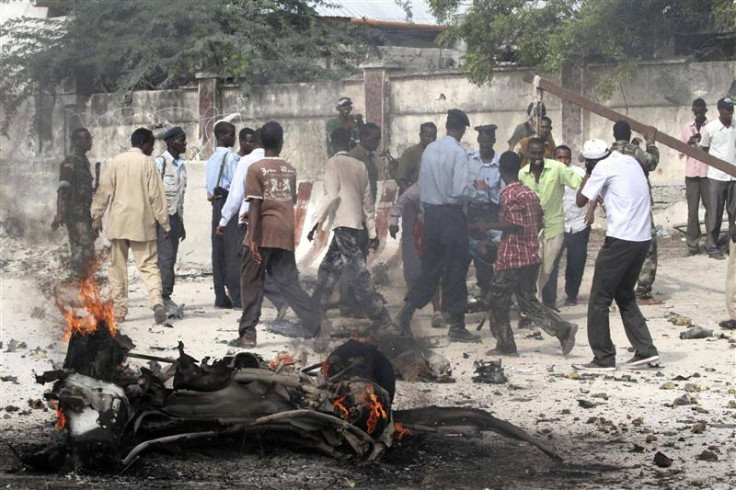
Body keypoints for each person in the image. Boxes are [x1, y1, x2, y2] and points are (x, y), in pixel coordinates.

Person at [479, 152, 577, 356]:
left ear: (500, 170)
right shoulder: (529, 192)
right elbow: (540, 220)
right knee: (527, 301)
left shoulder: (508, 193)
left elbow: (514, 223)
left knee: (497, 300)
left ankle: (505, 345)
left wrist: (487, 225)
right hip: (530, 255)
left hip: (512, 256)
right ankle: (563, 330)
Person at [574, 139, 660, 371]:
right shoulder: (630, 161)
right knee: (624, 294)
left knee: (599, 299)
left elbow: (580, 200)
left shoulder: (601, 168)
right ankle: (645, 350)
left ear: (591, 161)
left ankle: (603, 358)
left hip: (621, 240)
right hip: (642, 239)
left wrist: (588, 174)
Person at [233, 121, 321, 347]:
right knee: (289, 282)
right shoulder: (290, 169)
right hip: (285, 230)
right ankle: (315, 322)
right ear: (281, 143)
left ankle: (248, 334)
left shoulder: (255, 168)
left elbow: (255, 204)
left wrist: (252, 237)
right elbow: (286, 201)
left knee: (251, 281)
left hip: (262, 231)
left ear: (260, 142)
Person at [397, 109, 480, 343]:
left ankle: (405, 313)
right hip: (451, 216)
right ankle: (458, 325)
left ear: (446, 126)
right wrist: (478, 193)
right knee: (456, 271)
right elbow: (461, 190)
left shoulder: (430, 150)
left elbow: (422, 185)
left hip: (431, 216)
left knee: (430, 270)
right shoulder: (458, 153)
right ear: (462, 129)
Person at [309, 128, 391, 328]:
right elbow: (367, 203)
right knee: (328, 267)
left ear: (332, 144)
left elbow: (330, 195)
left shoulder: (332, 164)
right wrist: (372, 232)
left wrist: (314, 223)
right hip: (355, 225)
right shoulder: (360, 165)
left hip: (342, 224)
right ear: (350, 143)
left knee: (358, 272)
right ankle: (313, 312)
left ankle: (380, 315)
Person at [91, 128, 169, 324]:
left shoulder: (116, 161)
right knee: (149, 266)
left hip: (118, 223)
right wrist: (165, 224)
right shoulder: (148, 163)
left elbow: (104, 192)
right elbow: (156, 197)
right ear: (143, 144)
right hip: (142, 224)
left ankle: (119, 310)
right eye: (151, 144)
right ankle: (156, 302)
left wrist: (96, 216)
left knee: (117, 268)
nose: (152, 148)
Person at [217, 128, 289, 321]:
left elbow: (236, 195)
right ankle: (278, 301)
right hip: (274, 222)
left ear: (254, 141)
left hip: (249, 221)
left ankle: (260, 311)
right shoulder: (278, 163)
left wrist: (223, 220)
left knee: (249, 271)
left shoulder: (247, 161)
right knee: (265, 267)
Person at [519, 137, 582, 307]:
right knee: (533, 268)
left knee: (547, 270)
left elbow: (579, 183)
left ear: (545, 152)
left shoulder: (558, 169)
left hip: (554, 227)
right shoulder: (522, 173)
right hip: (532, 231)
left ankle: (537, 300)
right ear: (528, 154)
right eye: (533, 153)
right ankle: (534, 303)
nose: (537, 156)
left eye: (540, 152)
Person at [610, 120, 660, 304]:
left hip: (618, 207)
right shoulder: (635, 152)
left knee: (620, 246)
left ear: (614, 135)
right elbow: (652, 162)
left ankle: (617, 287)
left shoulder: (609, 154)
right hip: (639, 205)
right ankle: (643, 292)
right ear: (629, 135)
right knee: (648, 247)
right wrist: (651, 142)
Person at [543, 145, 596, 307]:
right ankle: (549, 300)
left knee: (576, 262)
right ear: (554, 158)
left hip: (579, 224)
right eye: (560, 157)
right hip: (557, 225)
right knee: (551, 263)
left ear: (570, 158)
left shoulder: (579, 174)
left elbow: (593, 191)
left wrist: (591, 211)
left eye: (566, 157)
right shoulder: (547, 175)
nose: (563, 161)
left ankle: (572, 294)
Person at [389, 182, 446, 328]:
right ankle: (429, 310)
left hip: (443, 231)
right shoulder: (418, 188)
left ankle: (413, 312)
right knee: (431, 273)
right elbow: (400, 203)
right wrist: (394, 221)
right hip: (426, 233)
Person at [52, 128, 97, 280]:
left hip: (84, 212)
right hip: (75, 213)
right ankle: (78, 281)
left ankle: (85, 281)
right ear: (77, 141)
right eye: (87, 138)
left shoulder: (83, 161)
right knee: (81, 249)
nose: (90, 141)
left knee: (87, 248)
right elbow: (62, 188)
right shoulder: (70, 161)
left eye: (90, 138)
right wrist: (59, 213)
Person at [465, 124, 503, 300]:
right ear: (478, 140)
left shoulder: (500, 163)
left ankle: (490, 292)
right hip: (472, 212)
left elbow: (502, 193)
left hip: (491, 212)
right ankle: (480, 290)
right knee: (471, 252)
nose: (485, 144)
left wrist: (486, 189)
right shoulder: (469, 160)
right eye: (482, 141)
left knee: (490, 251)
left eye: (489, 141)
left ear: (494, 141)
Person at [206, 121, 241, 308]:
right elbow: (237, 186)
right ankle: (236, 295)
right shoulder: (231, 158)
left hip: (215, 204)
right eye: (230, 134)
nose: (233, 138)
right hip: (228, 204)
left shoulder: (211, 158)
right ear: (221, 136)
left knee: (218, 252)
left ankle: (220, 295)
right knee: (232, 252)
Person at [154, 127, 188, 314]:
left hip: (175, 218)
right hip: (162, 219)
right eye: (181, 140)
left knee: (170, 258)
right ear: (170, 142)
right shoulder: (161, 163)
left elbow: (180, 197)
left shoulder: (181, 164)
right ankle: (164, 299)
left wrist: (180, 224)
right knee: (165, 260)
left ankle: (164, 297)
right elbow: (153, 194)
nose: (185, 143)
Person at [701, 97, 736, 260]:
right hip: (716, 177)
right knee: (715, 213)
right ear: (720, 110)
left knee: (734, 214)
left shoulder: (735, 126)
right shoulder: (710, 128)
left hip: (733, 177)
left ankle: (732, 245)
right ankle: (712, 246)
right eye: (727, 109)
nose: (731, 111)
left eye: (732, 108)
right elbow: (704, 150)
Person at [680, 98, 709, 256]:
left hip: (706, 174)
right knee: (692, 211)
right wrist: (689, 144)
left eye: (701, 112)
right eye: (695, 112)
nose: (698, 114)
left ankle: (711, 242)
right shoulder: (686, 128)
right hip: (691, 174)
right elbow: (680, 151)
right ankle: (692, 244)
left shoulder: (710, 127)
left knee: (711, 209)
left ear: (705, 112)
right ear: (693, 111)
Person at [394, 122, 438, 194]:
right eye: (428, 136)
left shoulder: (437, 153)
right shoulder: (411, 153)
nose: (431, 140)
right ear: (421, 135)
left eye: (434, 137)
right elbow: (400, 178)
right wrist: (410, 195)